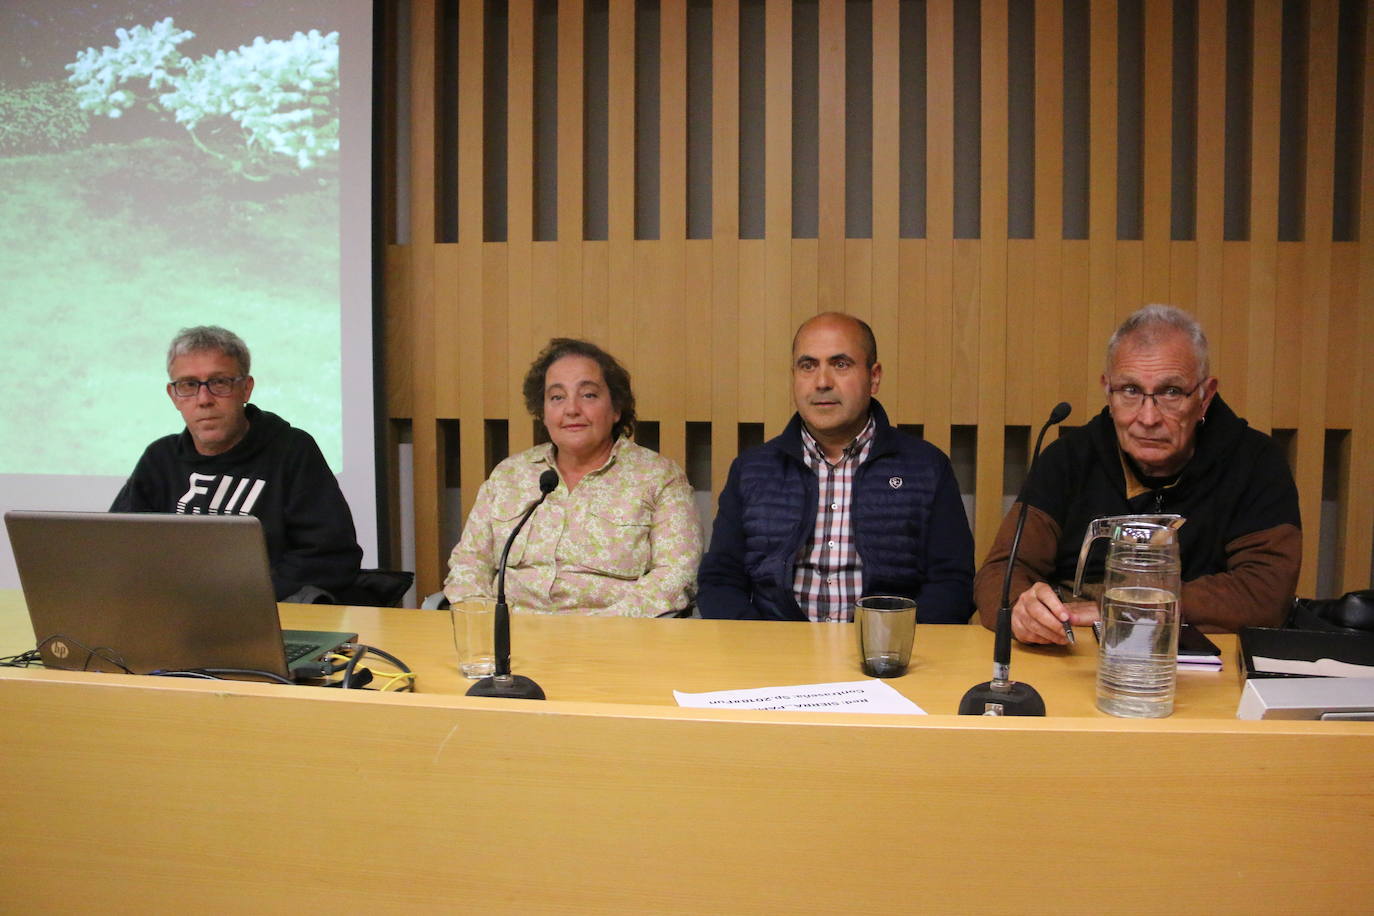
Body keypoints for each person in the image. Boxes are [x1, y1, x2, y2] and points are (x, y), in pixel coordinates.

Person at [975, 304, 1301, 644]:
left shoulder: (1255, 462)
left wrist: (1122, 608)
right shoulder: (1068, 459)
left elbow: (1265, 597)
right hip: (1075, 652)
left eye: (1171, 392)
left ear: (1205, 397)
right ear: (1108, 392)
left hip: (1197, 661)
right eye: (1130, 391)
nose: (1147, 418)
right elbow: (998, 575)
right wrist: (1023, 609)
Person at [697, 312, 975, 622]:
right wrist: (761, 647)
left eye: (840, 364)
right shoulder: (753, 469)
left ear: (875, 376)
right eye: (808, 366)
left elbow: (953, 583)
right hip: (775, 654)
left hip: (887, 655)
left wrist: (893, 645)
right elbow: (720, 580)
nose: (822, 382)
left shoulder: (926, 467)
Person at [444, 338, 701, 616]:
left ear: (616, 409)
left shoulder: (659, 477)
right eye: (557, 397)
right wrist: (486, 625)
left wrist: (591, 632)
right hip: (509, 639)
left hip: (614, 641)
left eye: (588, 395)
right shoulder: (509, 475)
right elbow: (469, 564)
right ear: (543, 412)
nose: (571, 409)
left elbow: (675, 577)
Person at [111, 326, 362, 602]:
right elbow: (119, 550)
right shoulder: (159, 459)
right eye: (188, 385)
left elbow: (329, 558)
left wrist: (243, 600)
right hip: (176, 619)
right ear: (173, 396)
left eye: (219, 383)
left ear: (246, 388)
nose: (204, 400)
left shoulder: (291, 451)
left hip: (271, 617)